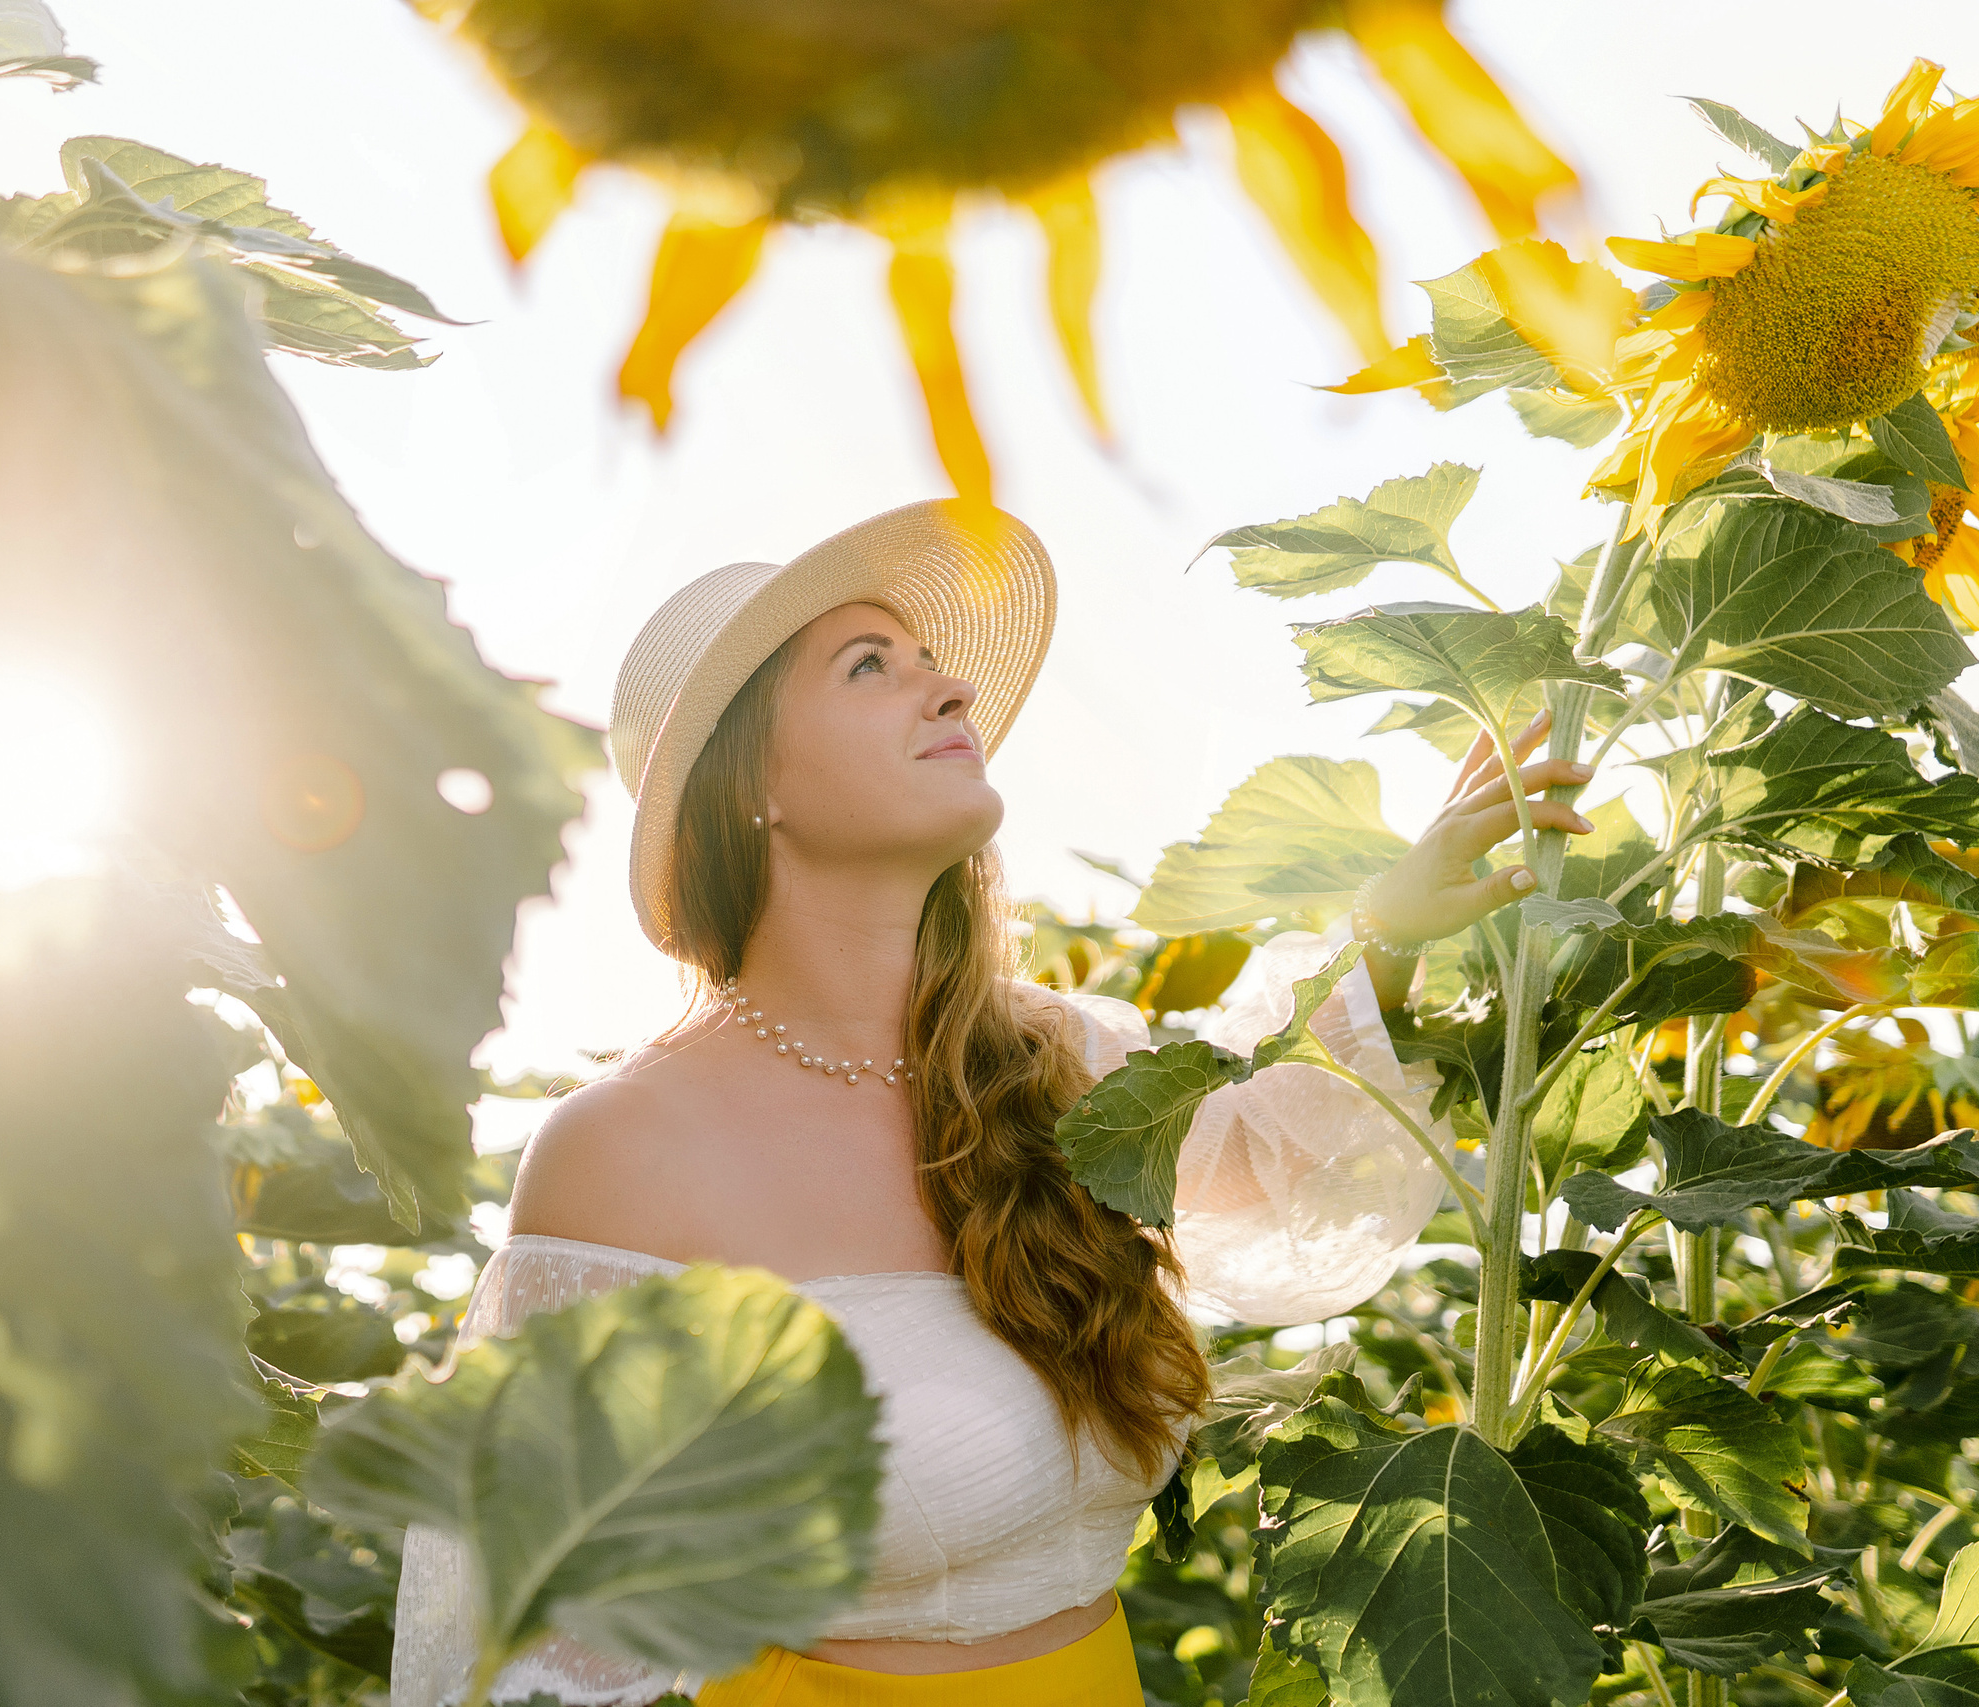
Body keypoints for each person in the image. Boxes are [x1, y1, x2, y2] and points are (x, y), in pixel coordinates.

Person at [390, 501, 1595, 1706]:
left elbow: (1273, 1149)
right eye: (869, 667)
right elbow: (532, 1637)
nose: (952, 689)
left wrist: (1383, 927)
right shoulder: (625, 1149)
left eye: (930, 658)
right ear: (751, 782)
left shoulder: (1051, 1056)